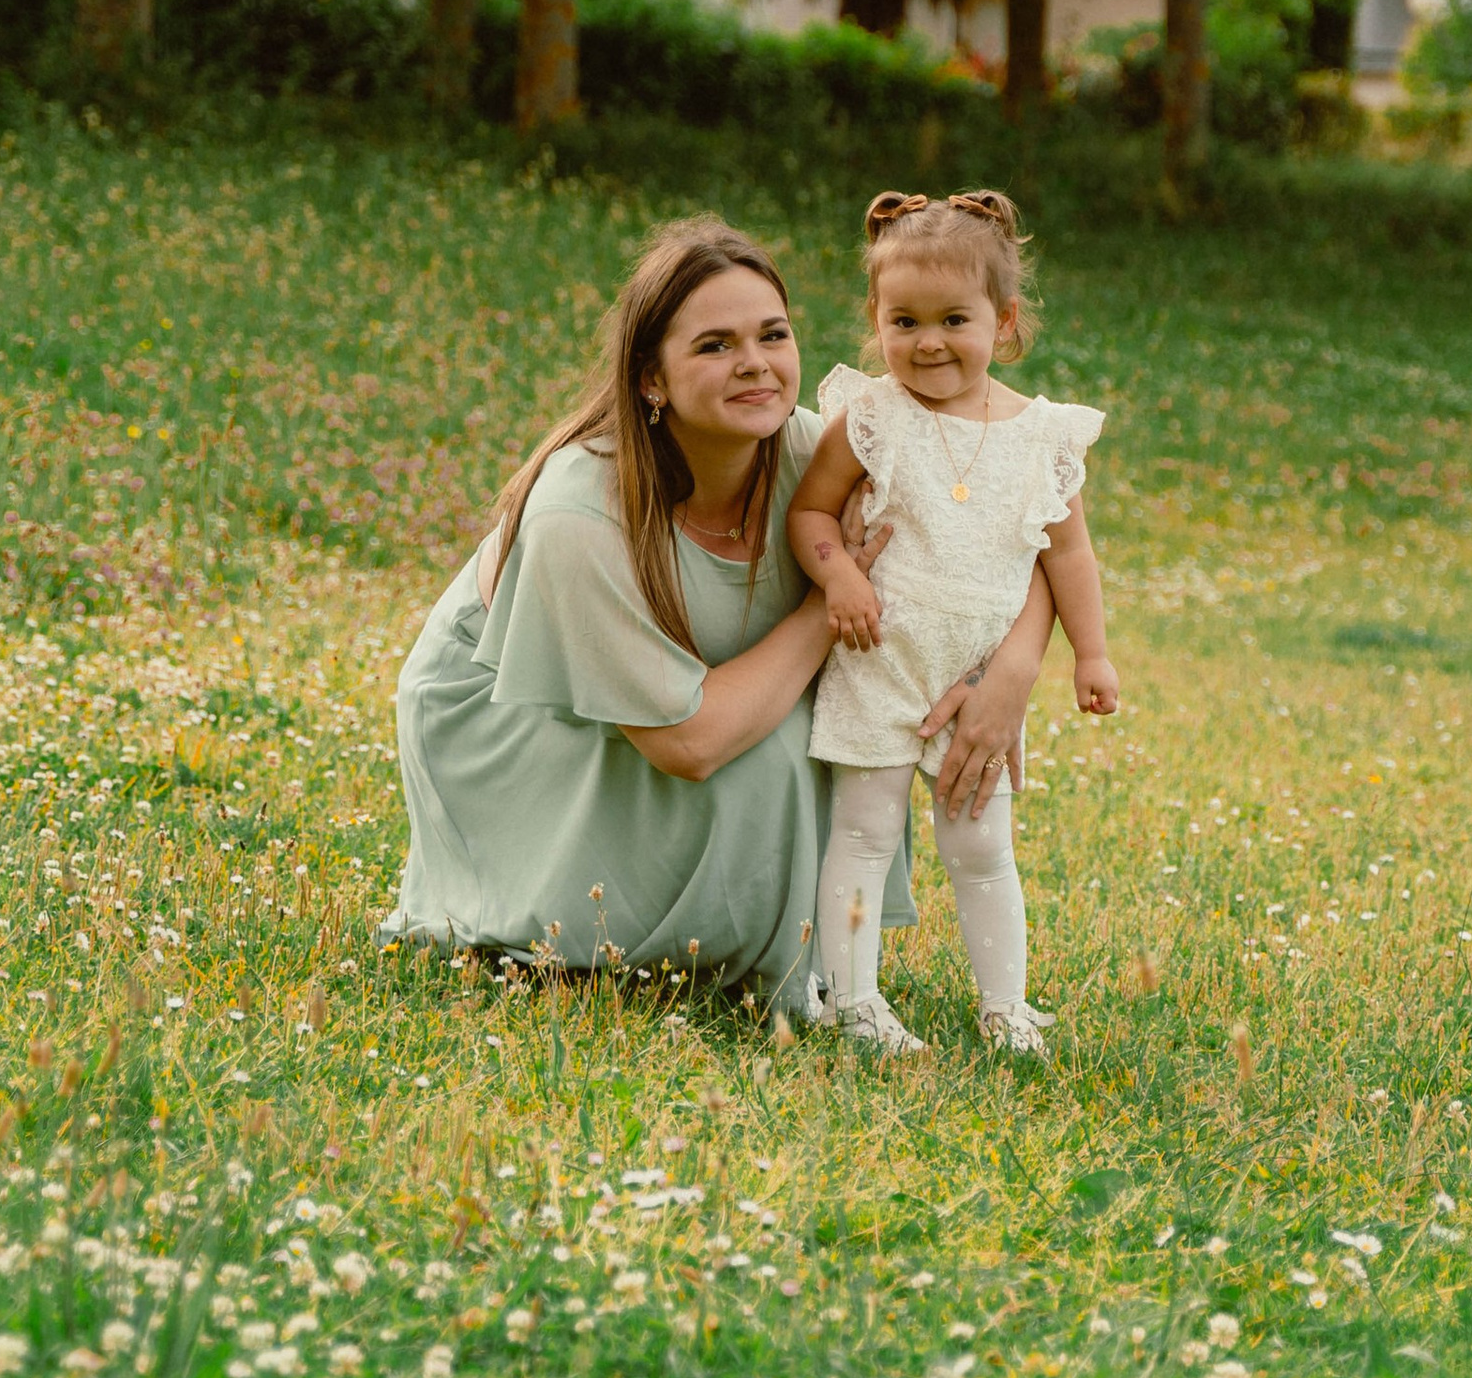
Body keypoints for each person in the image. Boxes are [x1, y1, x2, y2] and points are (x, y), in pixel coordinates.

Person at [387, 214, 1052, 1017]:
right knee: (774, 759)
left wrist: (1008, 672)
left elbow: (1032, 534)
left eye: (772, 335)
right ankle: (622, 930)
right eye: (714, 346)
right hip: (519, 716)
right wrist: (824, 606)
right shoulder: (579, 511)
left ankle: (784, 955)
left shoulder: (821, 452)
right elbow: (688, 742)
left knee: (829, 736)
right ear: (650, 379)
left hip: (705, 693)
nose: (755, 367)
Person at [787, 188, 1117, 1057]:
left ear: (1004, 322)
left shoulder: (1043, 435)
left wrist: (1092, 653)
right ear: (876, 319)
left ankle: (1005, 1005)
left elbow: (1068, 556)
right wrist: (838, 582)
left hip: (973, 673)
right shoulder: (869, 417)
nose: (927, 341)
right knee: (861, 832)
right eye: (905, 321)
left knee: (980, 846)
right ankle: (856, 1001)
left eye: (953, 319)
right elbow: (811, 516)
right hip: (879, 660)